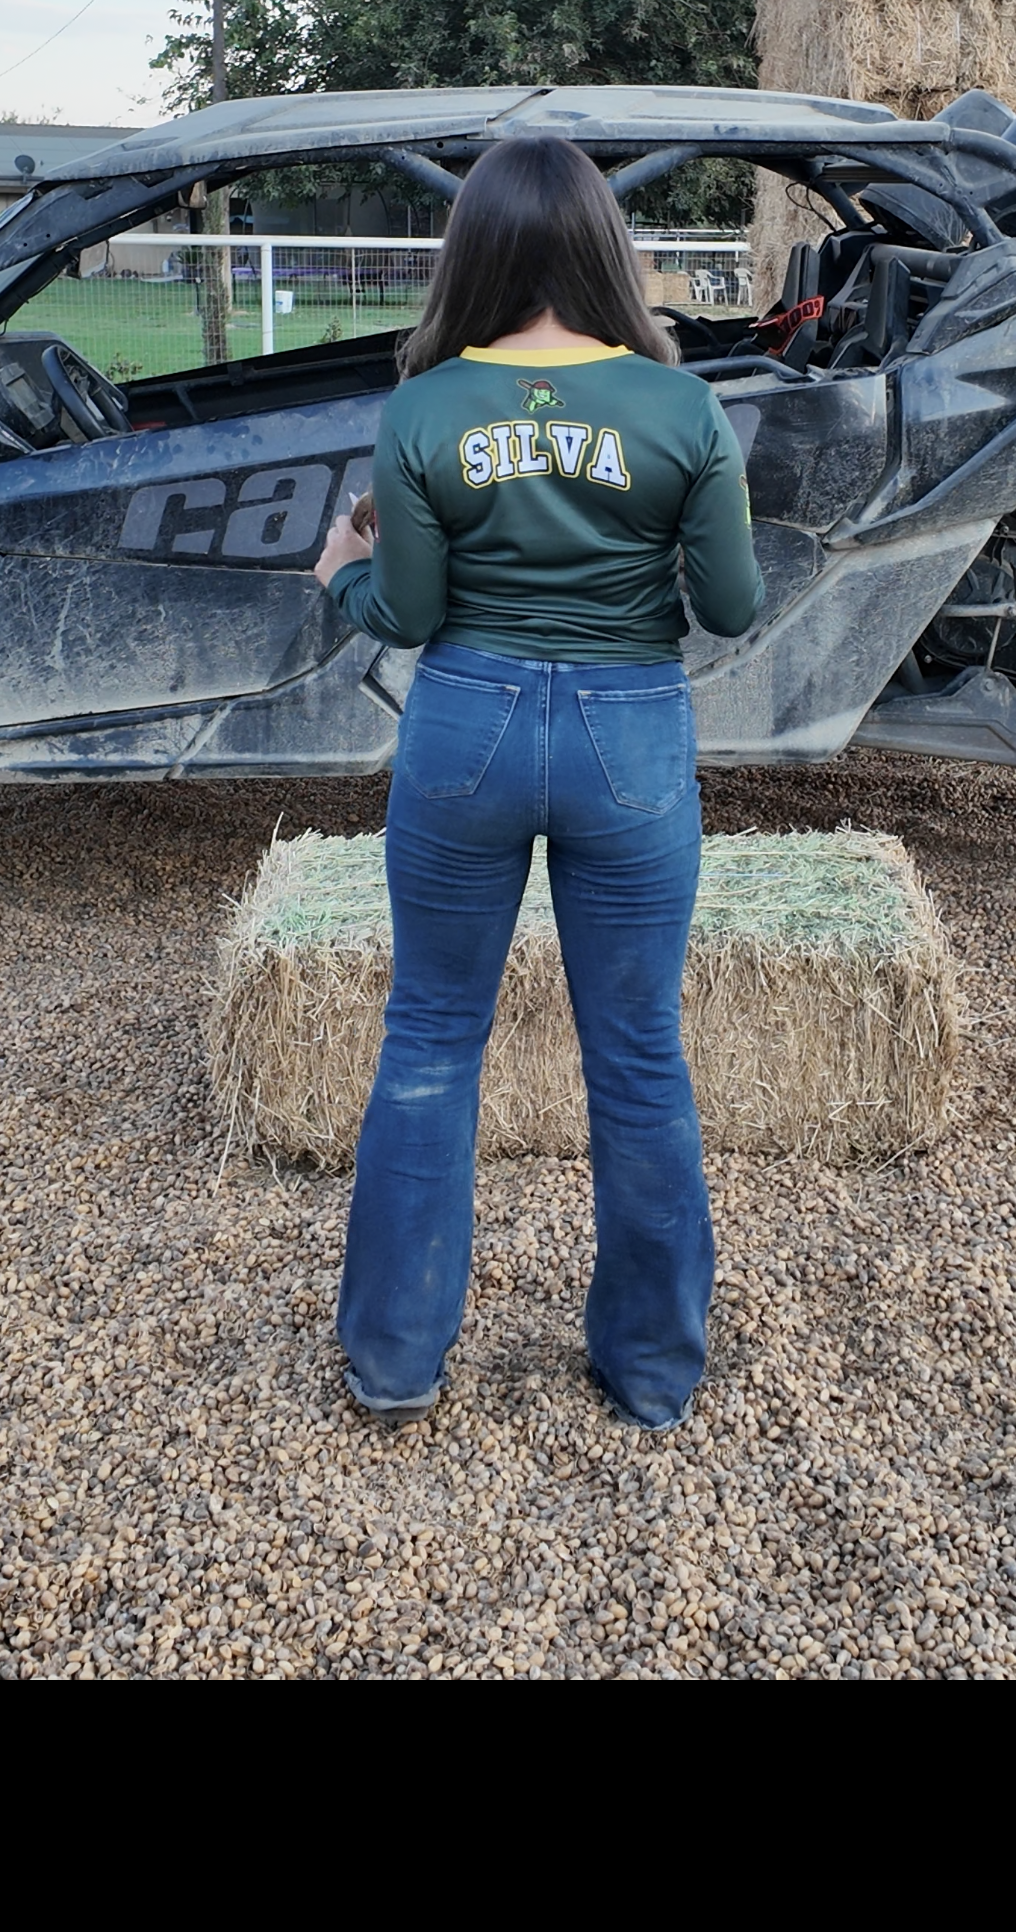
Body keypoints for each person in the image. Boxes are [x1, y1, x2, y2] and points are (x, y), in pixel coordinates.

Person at [313, 136, 763, 1433]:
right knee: (635, 1057)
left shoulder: (424, 407)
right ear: (606, 254)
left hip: (466, 728)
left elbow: (400, 611)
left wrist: (338, 568)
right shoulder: (681, 410)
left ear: (473, 257)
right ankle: (651, 1374)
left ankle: (394, 1366)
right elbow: (729, 607)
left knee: (429, 1039)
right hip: (628, 731)